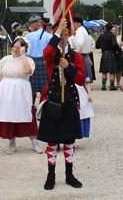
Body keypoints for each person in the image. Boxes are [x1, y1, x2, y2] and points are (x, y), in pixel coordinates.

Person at [37, 19, 86, 190]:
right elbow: (46, 53)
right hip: (53, 101)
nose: (63, 37)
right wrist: (57, 33)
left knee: (69, 142)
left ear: (69, 35)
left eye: (65, 34)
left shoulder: (76, 56)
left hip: (70, 100)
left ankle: (69, 175)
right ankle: (50, 176)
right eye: (60, 34)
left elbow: (80, 79)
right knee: (52, 141)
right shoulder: (51, 54)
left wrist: (69, 69)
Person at [0, 37, 44, 154]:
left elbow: (28, 71)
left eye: (19, 47)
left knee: (27, 115)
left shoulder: (29, 60)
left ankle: (35, 143)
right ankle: (12, 144)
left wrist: (23, 55)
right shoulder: (5, 59)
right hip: (6, 90)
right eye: (14, 46)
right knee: (8, 116)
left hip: (21, 90)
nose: (15, 49)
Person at [26, 17, 53, 105]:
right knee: (45, 88)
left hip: (31, 62)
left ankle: (31, 107)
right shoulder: (49, 36)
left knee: (31, 89)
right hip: (44, 62)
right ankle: (44, 107)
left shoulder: (28, 36)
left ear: (39, 25)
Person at [95, 23, 120, 91]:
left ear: (105, 28)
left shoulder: (101, 36)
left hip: (104, 53)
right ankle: (112, 86)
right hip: (111, 53)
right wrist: (117, 48)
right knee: (112, 71)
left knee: (104, 71)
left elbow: (97, 46)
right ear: (111, 29)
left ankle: (103, 86)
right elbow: (114, 44)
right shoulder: (112, 36)